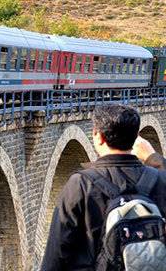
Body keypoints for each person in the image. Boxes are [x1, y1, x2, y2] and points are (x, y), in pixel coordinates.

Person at [41, 104, 166, 270]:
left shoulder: (80, 184)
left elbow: (56, 254)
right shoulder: (159, 179)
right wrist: (152, 157)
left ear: (98, 136)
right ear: (136, 138)